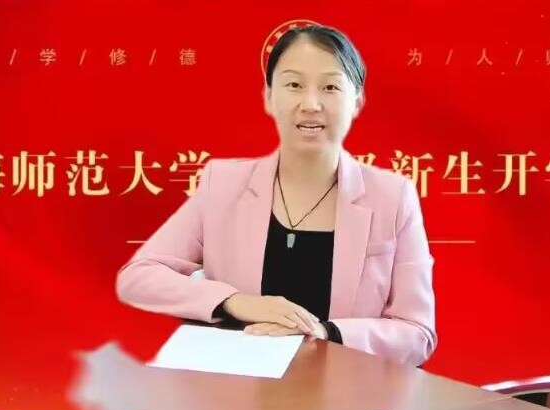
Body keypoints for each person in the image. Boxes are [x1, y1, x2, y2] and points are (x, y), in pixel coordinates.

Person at [116, 24, 436, 366]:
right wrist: (235, 302)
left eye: (330, 87)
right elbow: (138, 276)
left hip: (345, 387)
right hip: (233, 386)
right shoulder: (222, 184)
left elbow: (417, 333)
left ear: (357, 102)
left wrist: (326, 332)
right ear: (268, 97)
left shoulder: (393, 197)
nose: (310, 104)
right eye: (294, 85)